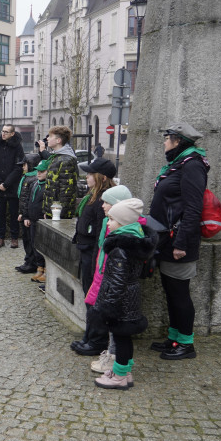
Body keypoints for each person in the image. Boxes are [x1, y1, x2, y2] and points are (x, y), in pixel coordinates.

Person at [149, 122, 209, 361]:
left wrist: (181, 244)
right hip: (167, 239)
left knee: (180, 294)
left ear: (177, 140)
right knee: (171, 292)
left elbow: (194, 208)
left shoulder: (193, 165)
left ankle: (185, 343)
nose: (164, 142)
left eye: (167, 138)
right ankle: (173, 338)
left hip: (179, 241)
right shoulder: (179, 163)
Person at [92, 198, 158, 390]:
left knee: (121, 338)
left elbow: (118, 281)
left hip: (120, 301)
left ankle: (119, 376)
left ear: (122, 223)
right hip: (130, 298)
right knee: (124, 337)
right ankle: (124, 372)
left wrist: (109, 306)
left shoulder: (120, 249)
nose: (109, 223)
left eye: (112, 220)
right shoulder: (135, 241)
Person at [70, 158, 117, 356]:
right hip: (86, 249)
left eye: (90, 174)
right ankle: (90, 336)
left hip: (94, 252)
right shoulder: (93, 195)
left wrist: (98, 260)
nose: (86, 176)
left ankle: (97, 340)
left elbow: (101, 231)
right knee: (89, 296)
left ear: (102, 177)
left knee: (95, 297)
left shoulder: (104, 200)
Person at [86, 184, 133, 373]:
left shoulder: (122, 234)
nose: (102, 205)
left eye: (107, 202)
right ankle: (111, 355)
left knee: (117, 325)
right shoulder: (110, 225)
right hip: (104, 278)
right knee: (110, 321)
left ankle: (115, 361)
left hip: (114, 285)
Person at [0, 124, 24, 248]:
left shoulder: (18, 147)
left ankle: (14, 238)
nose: (3, 134)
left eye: (6, 132)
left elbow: (18, 167)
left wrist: (7, 183)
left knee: (14, 214)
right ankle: (0, 238)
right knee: (0, 214)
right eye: (2, 131)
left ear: (12, 133)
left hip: (12, 186)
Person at [22, 158, 52, 282]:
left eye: (42, 171)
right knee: (35, 245)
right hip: (33, 220)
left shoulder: (48, 186)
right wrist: (26, 216)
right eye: (37, 171)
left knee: (43, 246)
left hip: (42, 221)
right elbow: (28, 200)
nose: (38, 173)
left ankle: (45, 270)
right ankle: (39, 268)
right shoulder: (35, 184)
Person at [41, 125, 80, 220]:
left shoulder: (66, 160)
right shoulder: (56, 157)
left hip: (58, 213)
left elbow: (67, 191)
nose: (47, 139)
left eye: (50, 136)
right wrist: (47, 211)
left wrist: (58, 214)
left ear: (58, 140)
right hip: (53, 211)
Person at [14, 154, 41, 273]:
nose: (23, 167)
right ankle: (28, 260)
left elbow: (29, 200)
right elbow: (23, 198)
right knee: (26, 239)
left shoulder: (33, 179)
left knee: (30, 240)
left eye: (25, 165)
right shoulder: (26, 178)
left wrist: (25, 215)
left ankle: (32, 262)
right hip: (24, 214)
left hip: (28, 216)